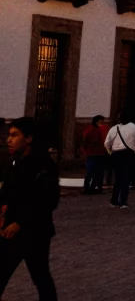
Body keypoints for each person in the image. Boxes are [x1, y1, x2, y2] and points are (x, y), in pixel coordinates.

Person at [0, 117, 59, 301]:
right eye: (9, 135)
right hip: (10, 231)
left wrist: (20, 222)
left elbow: (47, 200)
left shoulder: (43, 165)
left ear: (29, 138)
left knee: (40, 277)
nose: (9, 140)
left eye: (14, 135)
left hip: (34, 232)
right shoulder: (14, 162)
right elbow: (6, 193)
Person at [104, 112, 135, 208]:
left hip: (116, 154)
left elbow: (106, 143)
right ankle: (123, 201)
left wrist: (110, 152)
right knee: (126, 178)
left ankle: (114, 201)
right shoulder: (134, 127)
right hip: (128, 154)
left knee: (117, 178)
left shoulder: (114, 128)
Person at [81, 115, 109, 195]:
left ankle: (93, 188)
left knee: (98, 172)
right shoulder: (91, 130)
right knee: (91, 172)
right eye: (101, 121)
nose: (102, 123)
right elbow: (85, 142)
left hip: (99, 153)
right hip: (93, 153)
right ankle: (88, 188)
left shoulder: (99, 129)